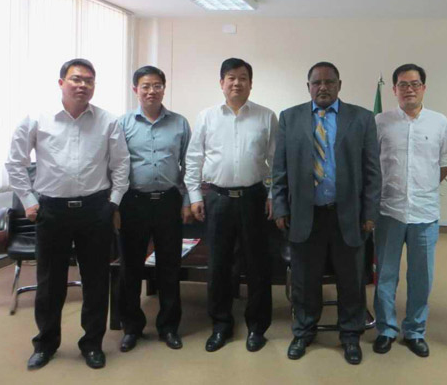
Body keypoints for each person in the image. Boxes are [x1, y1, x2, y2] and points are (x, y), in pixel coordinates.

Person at [5, 58, 130, 370]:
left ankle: (92, 344)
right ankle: (46, 344)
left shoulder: (108, 121)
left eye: (89, 80)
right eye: (76, 79)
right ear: (61, 82)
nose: (82, 85)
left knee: (96, 281)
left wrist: (113, 202)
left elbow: (121, 164)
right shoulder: (37, 119)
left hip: (95, 210)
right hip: (52, 211)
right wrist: (29, 201)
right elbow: (15, 162)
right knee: (50, 282)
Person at [272, 61, 381, 365]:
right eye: (316, 82)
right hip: (305, 214)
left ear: (339, 85)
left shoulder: (361, 118)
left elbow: (373, 171)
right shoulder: (290, 118)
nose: (323, 87)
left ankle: (350, 335)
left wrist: (370, 212)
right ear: (308, 87)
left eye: (329, 82)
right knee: (305, 280)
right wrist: (279, 206)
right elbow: (279, 169)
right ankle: (303, 331)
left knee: (351, 279)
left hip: (349, 214)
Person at [184, 58, 278, 353]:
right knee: (219, 265)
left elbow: (275, 161)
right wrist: (195, 196)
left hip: (254, 199)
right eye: (231, 78)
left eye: (243, 78)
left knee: (257, 265)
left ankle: (257, 327)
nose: (237, 83)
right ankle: (221, 325)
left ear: (251, 83)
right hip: (218, 199)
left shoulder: (266, 116)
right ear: (221, 83)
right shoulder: (207, 117)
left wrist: (273, 196)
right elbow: (194, 159)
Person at [373, 64, 447, 358]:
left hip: (425, 213)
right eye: (403, 84)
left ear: (424, 88)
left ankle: (415, 331)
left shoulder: (439, 122)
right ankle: (385, 329)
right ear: (394, 89)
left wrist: (424, 186)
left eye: (415, 84)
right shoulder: (380, 122)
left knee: (422, 277)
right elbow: (371, 164)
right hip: (389, 211)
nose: (409, 89)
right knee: (386, 275)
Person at [117, 65, 192, 352]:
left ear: (164, 88)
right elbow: (116, 166)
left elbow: (189, 165)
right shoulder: (123, 124)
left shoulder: (179, 123)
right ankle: (131, 327)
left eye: (157, 85)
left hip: (168, 203)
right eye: (146, 86)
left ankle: (169, 327)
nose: (152, 91)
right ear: (135, 89)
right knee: (130, 267)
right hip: (133, 203)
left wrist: (187, 200)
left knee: (169, 267)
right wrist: (115, 204)